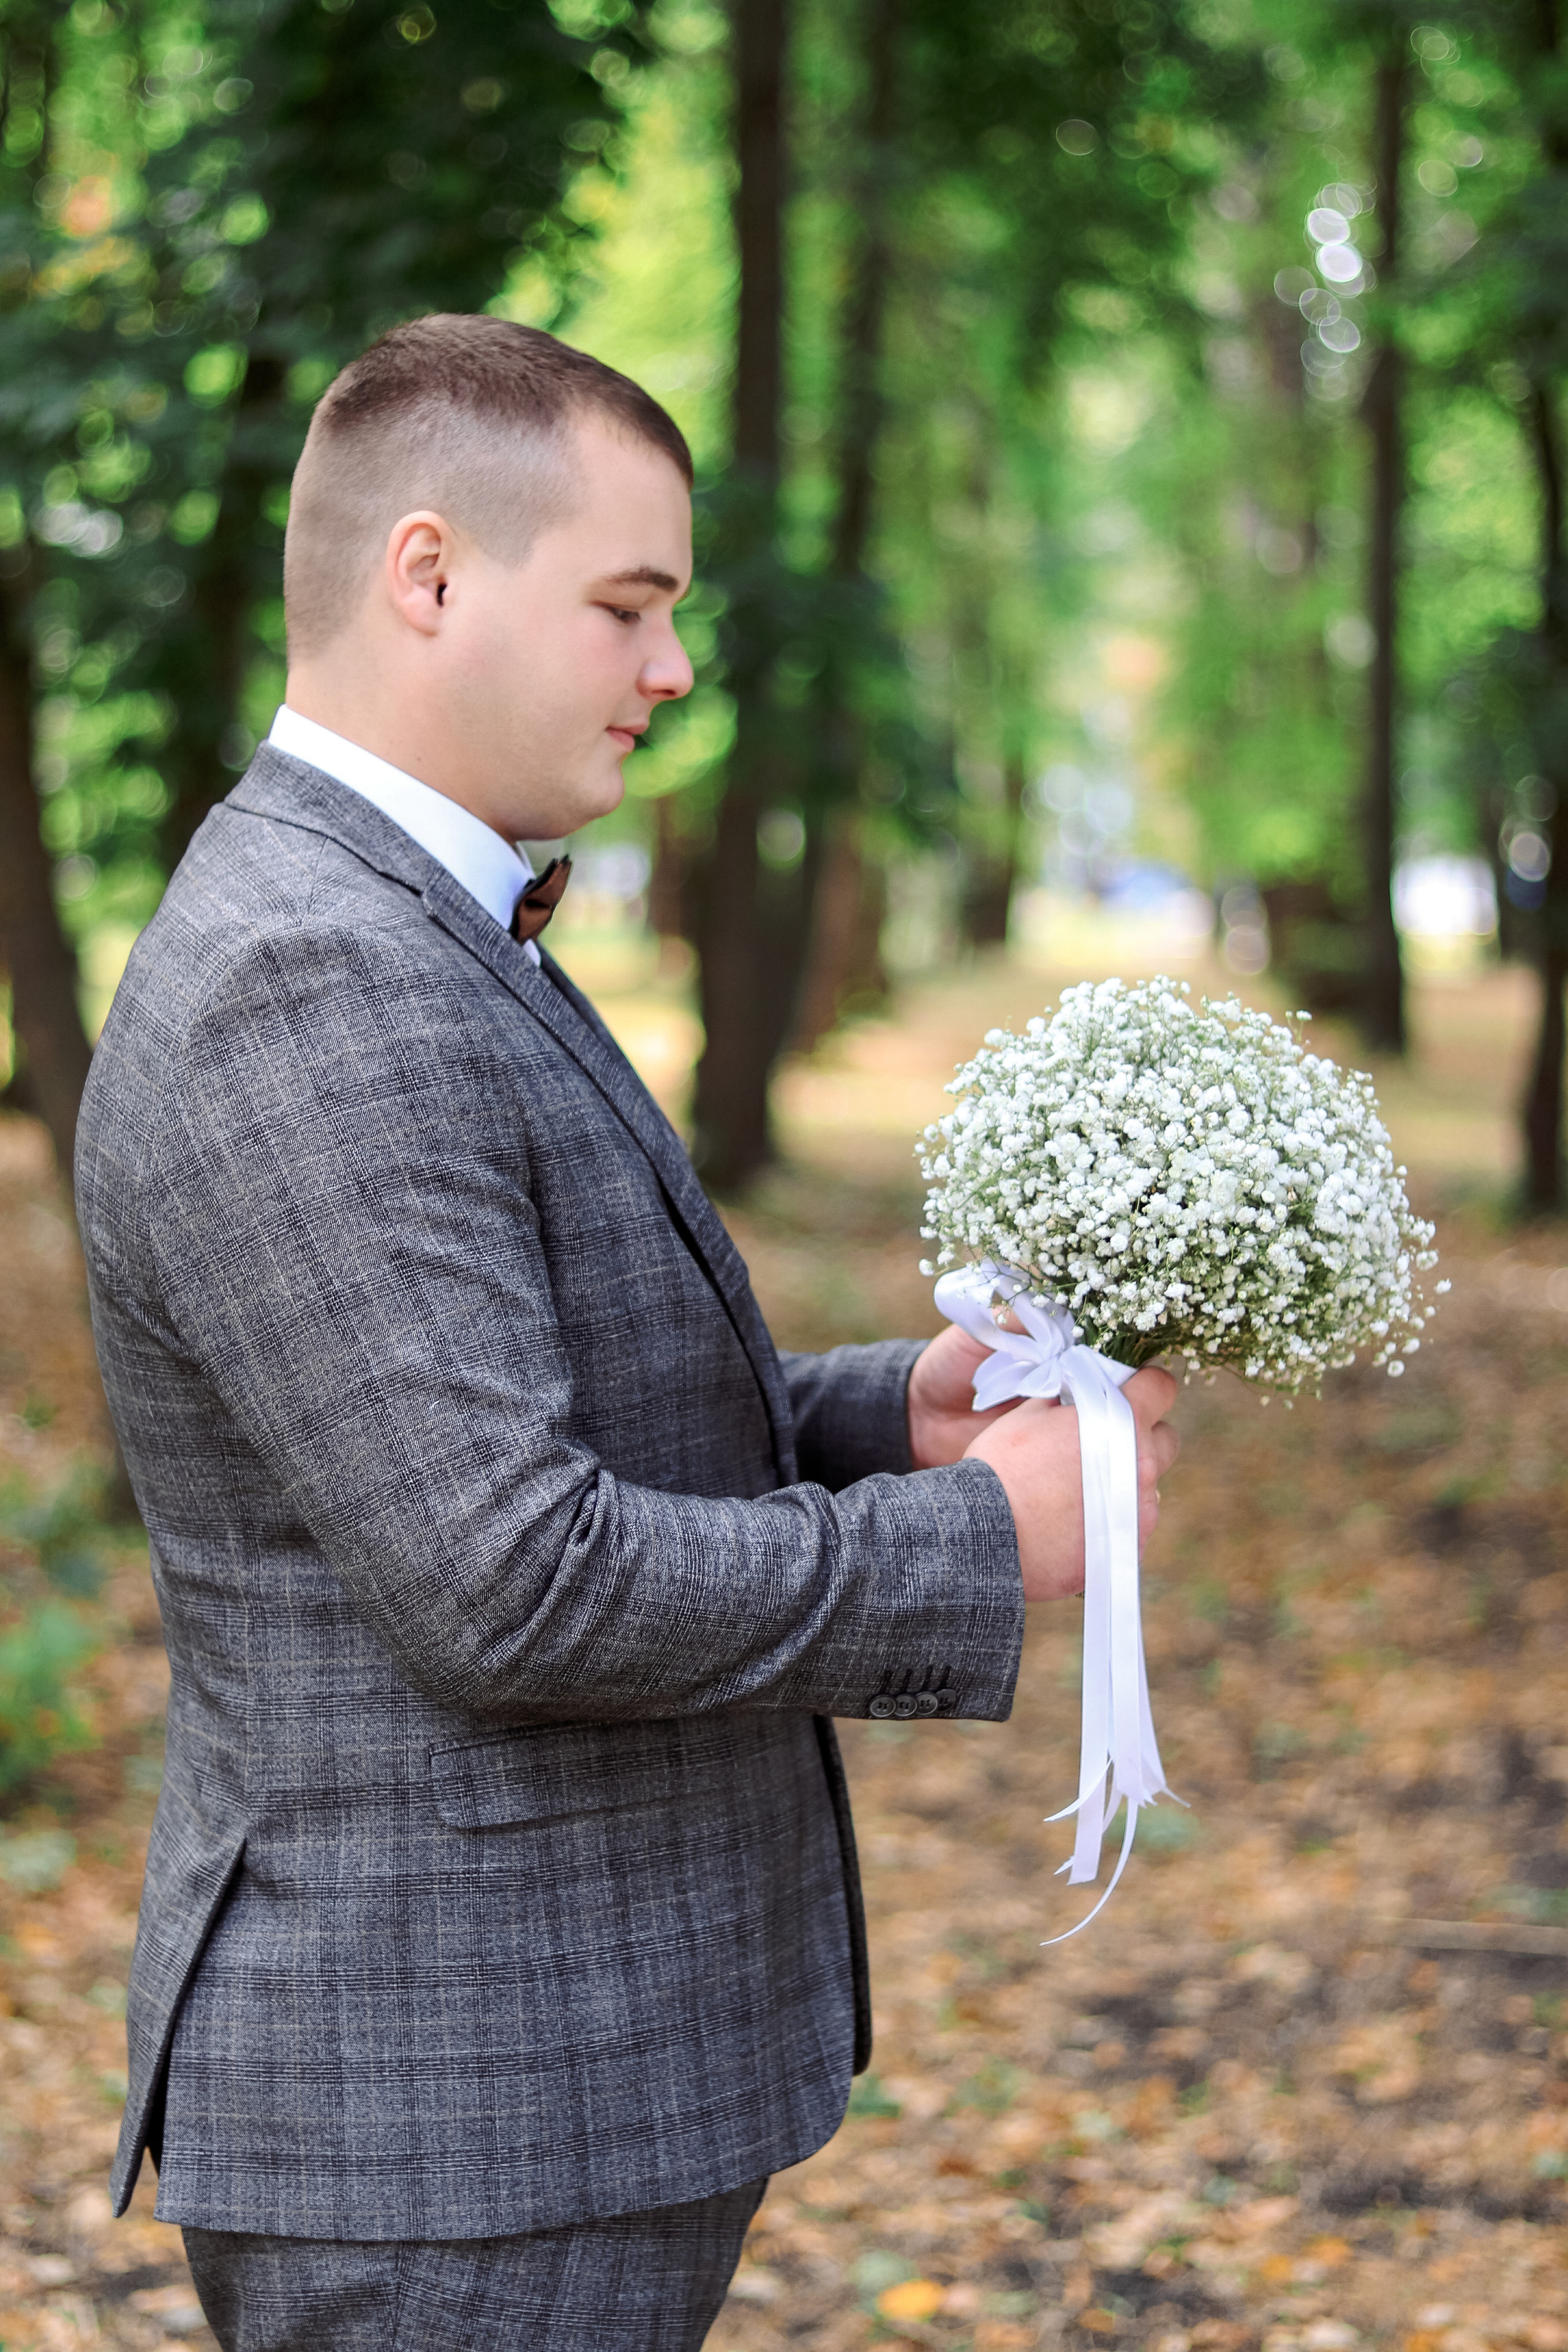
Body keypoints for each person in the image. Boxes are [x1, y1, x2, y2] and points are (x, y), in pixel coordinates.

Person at [74, 314, 1180, 2352]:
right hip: (450, 2135)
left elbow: (545, 1411)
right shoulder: (312, 978)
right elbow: (509, 1581)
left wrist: (888, 1424)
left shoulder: (424, 916)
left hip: (541, 2090)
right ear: (428, 576)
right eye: (626, 605)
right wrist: (975, 1547)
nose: (672, 669)